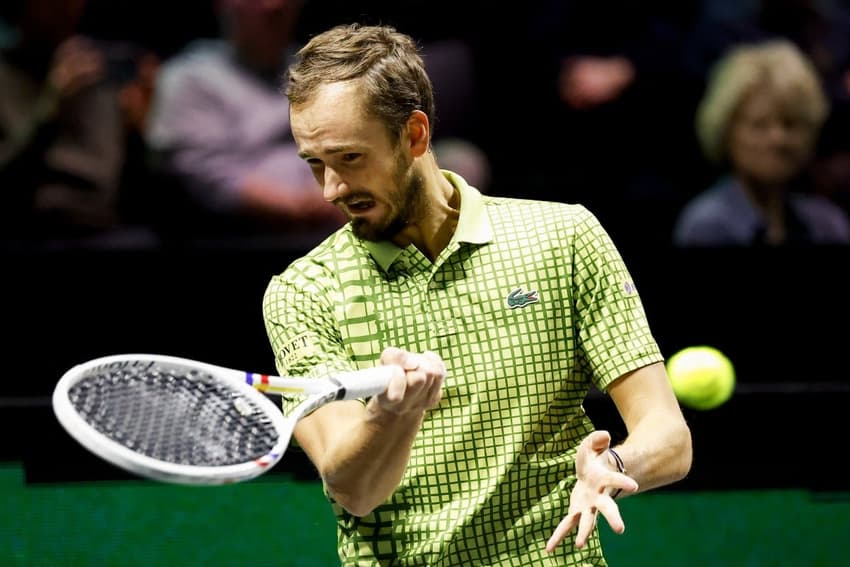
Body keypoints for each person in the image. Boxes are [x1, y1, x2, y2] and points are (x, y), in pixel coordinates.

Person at [261, 23, 692, 565]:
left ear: (414, 135)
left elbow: (669, 438)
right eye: (315, 164)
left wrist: (617, 467)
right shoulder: (303, 292)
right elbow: (354, 490)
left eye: (349, 159)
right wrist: (393, 415)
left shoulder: (564, 239)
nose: (331, 190)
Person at [144, 0, 345, 241]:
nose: (274, 6)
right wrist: (299, 206)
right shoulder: (189, 77)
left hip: (334, 232)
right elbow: (202, 173)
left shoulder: (326, 73)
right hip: (234, 241)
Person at [673, 39, 850, 247]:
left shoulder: (828, 224)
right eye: (759, 125)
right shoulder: (707, 226)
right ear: (725, 131)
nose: (778, 139)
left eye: (790, 124)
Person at [0, 0, 127, 244]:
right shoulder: (6, 76)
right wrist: (50, 109)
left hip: (103, 229)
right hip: (26, 231)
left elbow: (109, 180)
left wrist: (143, 132)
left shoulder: (93, 72)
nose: (69, 8)